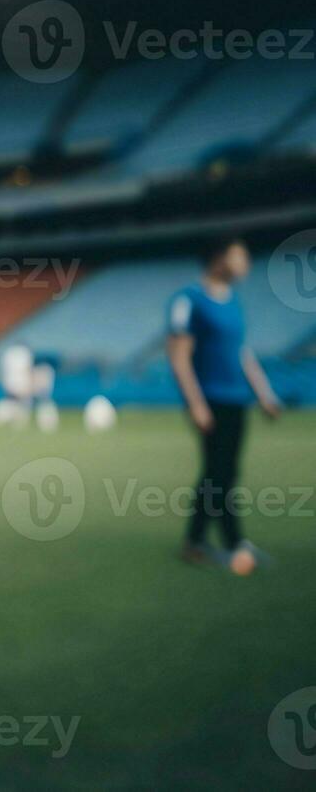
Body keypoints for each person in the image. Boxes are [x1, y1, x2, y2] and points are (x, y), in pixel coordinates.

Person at [167, 235, 282, 574]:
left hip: (236, 400)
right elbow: (179, 357)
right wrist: (196, 403)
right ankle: (234, 543)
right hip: (210, 399)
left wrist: (263, 392)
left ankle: (195, 541)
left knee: (219, 473)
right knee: (221, 473)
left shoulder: (233, 301)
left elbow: (241, 353)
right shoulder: (189, 300)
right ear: (219, 258)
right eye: (239, 256)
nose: (245, 263)